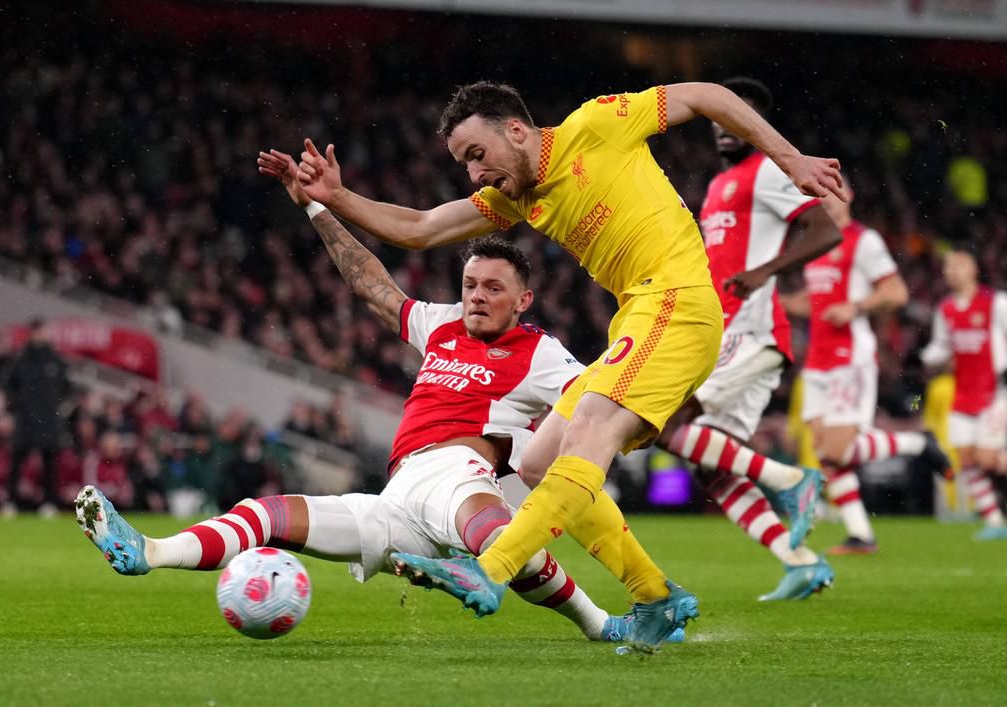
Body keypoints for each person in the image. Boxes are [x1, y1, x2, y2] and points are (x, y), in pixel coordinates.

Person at [293, 79, 846, 651]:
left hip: (677, 302)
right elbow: (422, 228)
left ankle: (492, 568)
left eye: (477, 155)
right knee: (538, 459)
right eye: (463, 163)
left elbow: (706, 94)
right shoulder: (517, 198)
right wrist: (335, 197)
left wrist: (791, 159)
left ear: (515, 130)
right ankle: (655, 594)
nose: (473, 174)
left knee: (590, 430)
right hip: (639, 314)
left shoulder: (598, 124)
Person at [74, 151, 636, 644]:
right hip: (398, 501)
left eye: (493, 289)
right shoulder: (440, 325)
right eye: (470, 285)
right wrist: (315, 207)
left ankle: (587, 616)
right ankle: (148, 552)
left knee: (493, 528)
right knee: (265, 514)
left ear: (524, 300)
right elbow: (369, 284)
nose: (477, 297)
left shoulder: (539, 352)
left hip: (461, 471)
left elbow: (601, 401)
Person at [644, 78, 841, 599]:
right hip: (724, 327)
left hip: (750, 328)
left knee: (662, 423)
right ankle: (798, 561)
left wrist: (764, 272)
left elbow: (827, 231)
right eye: (717, 118)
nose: (721, 126)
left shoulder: (770, 172)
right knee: (710, 466)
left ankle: (790, 480)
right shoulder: (717, 186)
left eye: (736, 116)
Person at [784, 189, 951, 554]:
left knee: (839, 450)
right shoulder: (815, 243)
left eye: (834, 190)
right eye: (819, 192)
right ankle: (861, 535)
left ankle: (918, 443)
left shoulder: (863, 239)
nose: (826, 197)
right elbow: (812, 302)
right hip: (817, 360)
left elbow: (897, 293)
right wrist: (772, 299)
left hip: (849, 355)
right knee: (826, 454)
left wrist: (855, 307)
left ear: (850, 196)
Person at [920, 243, 1007, 541]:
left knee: (988, 460)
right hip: (963, 392)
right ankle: (994, 521)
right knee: (966, 459)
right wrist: (930, 358)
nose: (952, 271)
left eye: (958, 265)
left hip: (995, 393)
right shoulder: (945, 309)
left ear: (974, 269)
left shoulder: (996, 303)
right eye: (948, 267)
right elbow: (940, 347)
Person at [1, 318, 70, 518]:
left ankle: (49, 503)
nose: (39, 335)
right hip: (26, 419)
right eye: (36, 332)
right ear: (30, 333)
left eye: (41, 331)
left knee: (50, 464)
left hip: (48, 420)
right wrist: (18, 407)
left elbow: (66, 388)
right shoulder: (21, 360)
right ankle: (10, 501)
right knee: (16, 462)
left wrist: (52, 407)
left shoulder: (55, 360)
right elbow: (9, 387)